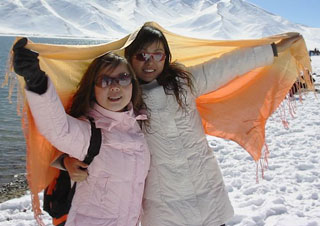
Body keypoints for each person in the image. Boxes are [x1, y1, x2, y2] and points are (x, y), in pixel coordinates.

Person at [65, 25, 301, 226]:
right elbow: (85, 134)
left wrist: (273, 49)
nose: (150, 62)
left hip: (207, 191)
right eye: (141, 55)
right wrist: (64, 161)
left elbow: (228, 65)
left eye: (157, 54)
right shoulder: (122, 100)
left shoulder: (185, 82)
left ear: (166, 56)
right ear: (129, 58)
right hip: (163, 206)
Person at [12, 39, 150, 226]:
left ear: (133, 83)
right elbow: (58, 129)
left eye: (123, 77)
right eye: (105, 80)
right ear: (93, 89)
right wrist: (36, 80)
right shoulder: (90, 133)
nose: (115, 86)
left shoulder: (139, 123)